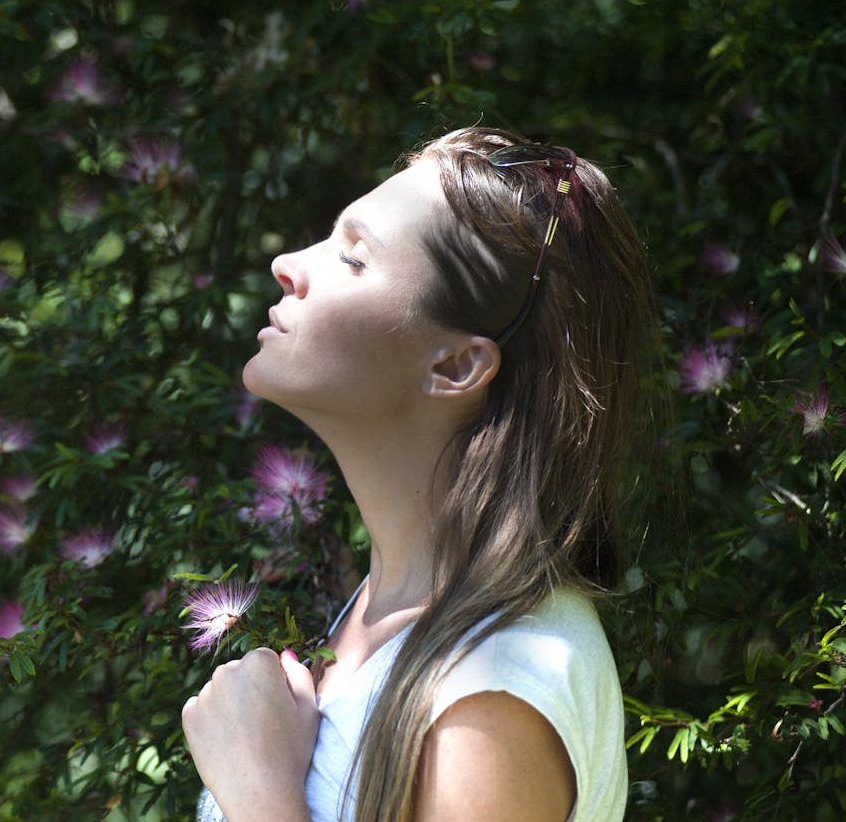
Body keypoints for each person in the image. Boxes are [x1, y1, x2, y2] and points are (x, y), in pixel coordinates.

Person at [182, 126, 655, 821]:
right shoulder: (384, 618)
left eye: (352, 258)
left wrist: (258, 791)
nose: (287, 262)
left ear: (456, 366)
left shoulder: (495, 691)